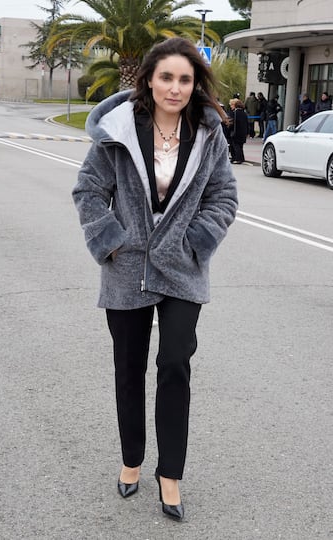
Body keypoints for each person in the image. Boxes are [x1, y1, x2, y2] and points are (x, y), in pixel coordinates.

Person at [72, 37, 238, 521]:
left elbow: (223, 196)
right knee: (129, 368)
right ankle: (131, 461)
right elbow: (88, 191)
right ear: (148, 79)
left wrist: (196, 242)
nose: (176, 87)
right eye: (166, 77)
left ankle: (170, 474)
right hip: (126, 268)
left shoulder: (209, 133)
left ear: (195, 84)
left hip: (183, 267)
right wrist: (111, 241)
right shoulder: (119, 131)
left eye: (185, 79)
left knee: (174, 363)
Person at [228, 98, 248, 164]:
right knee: (240, 146)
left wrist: (229, 129)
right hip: (243, 132)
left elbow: (232, 123)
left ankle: (237, 158)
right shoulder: (244, 113)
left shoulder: (235, 113)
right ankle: (241, 158)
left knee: (235, 146)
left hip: (236, 132)